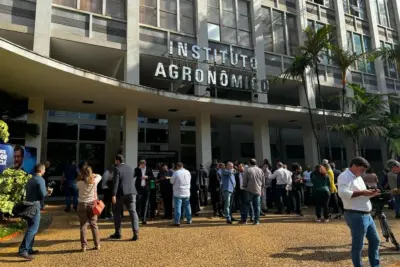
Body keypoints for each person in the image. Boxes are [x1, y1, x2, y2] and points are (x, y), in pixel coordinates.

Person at [338, 157, 382, 267]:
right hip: (356, 214)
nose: (363, 172)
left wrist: (371, 193)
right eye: (362, 170)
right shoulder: (344, 176)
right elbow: (343, 193)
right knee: (358, 245)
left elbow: (361, 193)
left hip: (366, 214)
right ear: (354, 166)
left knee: (375, 241)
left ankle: (375, 265)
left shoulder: (358, 177)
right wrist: (363, 193)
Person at [18, 164, 51, 261]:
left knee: (31, 227)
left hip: (28, 206)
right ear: (42, 170)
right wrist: (48, 192)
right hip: (35, 206)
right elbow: (43, 193)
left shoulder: (30, 179)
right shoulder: (40, 179)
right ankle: (23, 250)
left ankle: (29, 249)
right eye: (44, 170)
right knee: (33, 229)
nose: (44, 172)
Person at [110, 154, 139, 241]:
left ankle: (118, 233)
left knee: (117, 213)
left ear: (117, 160)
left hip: (121, 193)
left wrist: (113, 195)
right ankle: (136, 232)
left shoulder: (117, 169)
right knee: (133, 212)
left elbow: (116, 183)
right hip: (132, 192)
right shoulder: (130, 168)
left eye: (115, 160)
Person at [76, 165, 101, 251]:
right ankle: (97, 244)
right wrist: (94, 174)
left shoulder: (79, 183)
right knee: (94, 224)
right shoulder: (94, 181)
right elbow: (100, 176)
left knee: (83, 225)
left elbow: (78, 184)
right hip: (92, 205)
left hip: (82, 204)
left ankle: (84, 246)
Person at [241, 159, 264, 225]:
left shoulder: (248, 170)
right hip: (258, 190)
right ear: (256, 163)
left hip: (249, 190)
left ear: (249, 163)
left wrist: (244, 186)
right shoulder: (260, 170)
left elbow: (245, 180)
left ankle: (245, 220)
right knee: (257, 206)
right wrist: (262, 189)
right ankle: (256, 221)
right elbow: (263, 181)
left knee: (247, 205)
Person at [134, 159, 154, 224]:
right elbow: (133, 175)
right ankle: (137, 218)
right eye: (141, 163)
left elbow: (152, 177)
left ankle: (144, 218)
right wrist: (137, 168)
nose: (142, 164)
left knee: (145, 203)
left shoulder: (149, 169)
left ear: (145, 163)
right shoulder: (137, 169)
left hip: (146, 188)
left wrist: (147, 177)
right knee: (138, 203)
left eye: (143, 163)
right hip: (139, 188)